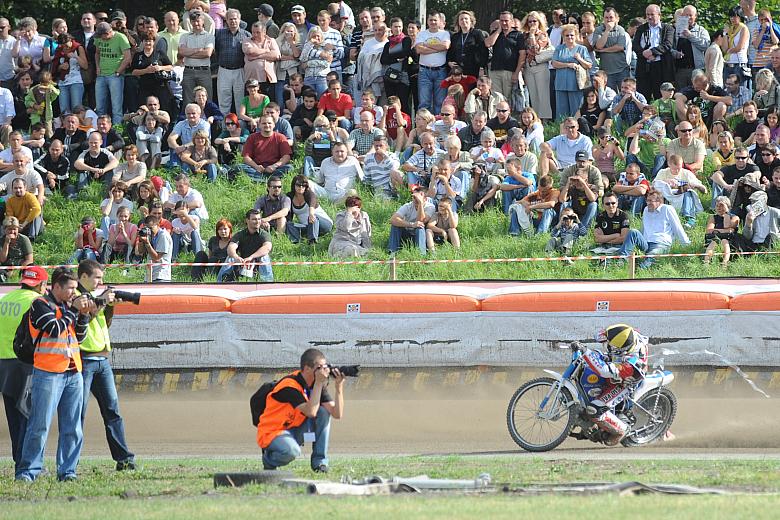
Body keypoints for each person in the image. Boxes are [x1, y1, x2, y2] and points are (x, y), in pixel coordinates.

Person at [15, 267, 94, 482]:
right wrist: (74, 311)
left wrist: (83, 317)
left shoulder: (69, 307)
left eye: (75, 289)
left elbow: (79, 338)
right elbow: (53, 328)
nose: (73, 293)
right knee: (39, 425)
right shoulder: (40, 304)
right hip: (47, 373)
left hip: (72, 372)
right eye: (70, 289)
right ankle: (28, 471)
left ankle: (67, 471)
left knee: (72, 427)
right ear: (56, 287)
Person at [75, 260, 135, 471]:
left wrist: (109, 308)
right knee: (77, 413)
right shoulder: (78, 297)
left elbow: (104, 323)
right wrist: (101, 301)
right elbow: (85, 317)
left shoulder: (95, 297)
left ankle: (124, 459)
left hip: (101, 360)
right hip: (83, 359)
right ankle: (71, 463)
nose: (100, 282)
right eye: (97, 277)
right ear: (83, 277)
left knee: (113, 412)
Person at [258, 348, 345, 472]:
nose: (323, 371)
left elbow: (337, 413)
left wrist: (339, 387)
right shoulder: (289, 386)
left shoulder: (316, 384)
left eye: (325, 367)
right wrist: (319, 384)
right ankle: (268, 460)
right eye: (319, 367)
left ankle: (320, 463)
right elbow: (311, 412)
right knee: (292, 452)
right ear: (307, 368)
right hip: (273, 432)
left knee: (324, 413)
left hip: (294, 428)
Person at [0, 265, 48, 474]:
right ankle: (27, 465)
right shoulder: (36, 302)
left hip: (3, 362)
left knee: (13, 417)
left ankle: (19, 461)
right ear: (42, 285)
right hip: (25, 363)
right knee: (28, 416)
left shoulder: (6, 300)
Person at [573, 324, 649, 446]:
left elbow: (605, 370)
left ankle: (620, 431)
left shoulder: (631, 363)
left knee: (594, 410)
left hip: (625, 383)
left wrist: (586, 352)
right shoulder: (628, 334)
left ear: (621, 350)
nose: (606, 346)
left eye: (610, 345)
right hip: (618, 371)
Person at [618, 189, 690, 269]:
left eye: (650, 201)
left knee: (652, 255)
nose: (648, 203)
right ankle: (622, 261)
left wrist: (686, 245)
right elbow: (643, 229)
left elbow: (678, 228)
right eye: (647, 200)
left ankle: (640, 270)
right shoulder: (646, 210)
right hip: (646, 243)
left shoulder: (667, 209)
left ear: (659, 201)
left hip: (661, 244)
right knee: (633, 232)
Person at [218, 209, 274, 283]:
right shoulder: (240, 234)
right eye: (254, 219)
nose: (257, 221)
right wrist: (236, 257)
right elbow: (230, 248)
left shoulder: (264, 234)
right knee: (230, 257)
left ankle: (267, 283)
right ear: (247, 220)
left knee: (264, 257)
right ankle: (221, 282)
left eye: (259, 219)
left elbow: (267, 248)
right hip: (242, 263)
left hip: (258, 265)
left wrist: (251, 257)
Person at [632, 5, 674, 101]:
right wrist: (644, 53)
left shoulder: (668, 28)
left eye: (652, 14)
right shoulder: (641, 29)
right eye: (647, 14)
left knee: (660, 96)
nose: (649, 17)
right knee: (643, 95)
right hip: (644, 67)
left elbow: (668, 44)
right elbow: (635, 45)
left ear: (659, 15)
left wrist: (652, 52)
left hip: (661, 67)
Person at [653, 154, 707, 228]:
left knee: (689, 192)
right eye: (674, 169)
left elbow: (702, 188)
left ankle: (689, 217)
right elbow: (655, 184)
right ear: (669, 164)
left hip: (683, 196)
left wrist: (695, 185)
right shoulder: (663, 172)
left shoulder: (686, 173)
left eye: (679, 168)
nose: (677, 171)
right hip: (668, 197)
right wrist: (666, 182)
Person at [551, 23, 593, 119]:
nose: (569, 37)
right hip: (561, 84)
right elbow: (554, 63)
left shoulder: (582, 49)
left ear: (576, 36)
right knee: (561, 112)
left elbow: (589, 65)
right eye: (567, 35)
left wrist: (579, 59)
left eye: (572, 35)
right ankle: (561, 129)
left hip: (576, 84)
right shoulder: (559, 48)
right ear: (563, 37)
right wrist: (568, 65)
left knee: (576, 109)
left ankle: (577, 127)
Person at [214, 9, 251, 117]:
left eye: (235, 19)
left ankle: (241, 122)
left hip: (240, 70)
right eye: (230, 19)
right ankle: (224, 125)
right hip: (224, 70)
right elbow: (216, 51)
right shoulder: (219, 34)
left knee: (240, 99)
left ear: (239, 20)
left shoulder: (246, 35)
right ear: (226, 20)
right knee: (224, 98)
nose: (233, 21)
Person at [94, 22, 131, 125]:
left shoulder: (121, 38)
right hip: (101, 75)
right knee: (100, 106)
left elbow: (127, 57)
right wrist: (97, 67)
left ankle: (117, 131)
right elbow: (97, 53)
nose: (101, 38)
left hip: (115, 76)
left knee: (116, 107)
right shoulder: (98, 38)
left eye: (102, 36)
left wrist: (118, 71)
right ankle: (100, 129)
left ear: (109, 32)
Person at [484, 11, 525, 103]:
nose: (504, 23)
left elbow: (522, 55)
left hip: (510, 71)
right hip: (495, 70)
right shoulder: (496, 33)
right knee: (496, 98)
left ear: (512, 21)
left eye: (506, 20)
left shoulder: (518, 35)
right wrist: (498, 31)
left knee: (508, 98)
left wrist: (516, 72)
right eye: (501, 21)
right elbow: (488, 44)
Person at [414, 11, 450, 115]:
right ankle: (424, 127)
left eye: (435, 20)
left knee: (440, 102)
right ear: (427, 21)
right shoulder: (422, 34)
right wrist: (438, 48)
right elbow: (419, 50)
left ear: (440, 21)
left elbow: (445, 46)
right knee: (424, 102)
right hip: (424, 71)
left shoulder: (444, 34)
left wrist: (426, 44)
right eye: (431, 20)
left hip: (441, 71)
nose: (433, 22)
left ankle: (438, 126)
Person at [178, 12, 214, 108]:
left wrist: (189, 53)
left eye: (198, 21)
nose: (196, 23)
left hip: (204, 71)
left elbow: (207, 53)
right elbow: (181, 52)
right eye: (193, 21)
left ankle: (207, 120)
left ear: (203, 21)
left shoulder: (209, 36)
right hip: (188, 70)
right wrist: (198, 50)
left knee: (206, 98)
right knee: (188, 99)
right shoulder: (184, 36)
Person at [241, 115, 293, 181]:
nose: (267, 125)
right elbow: (246, 157)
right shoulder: (252, 137)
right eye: (264, 123)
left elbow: (286, 157)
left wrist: (274, 166)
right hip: (257, 168)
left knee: (289, 168)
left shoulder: (280, 137)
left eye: (269, 123)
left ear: (274, 125)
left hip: (274, 169)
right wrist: (256, 167)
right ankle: (269, 180)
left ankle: (259, 179)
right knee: (239, 167)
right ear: (259, 125)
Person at [388, 186, 435, 255]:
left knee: (420, 227)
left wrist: (420, 204)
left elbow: (421, 221)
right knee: (395, 225)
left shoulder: (430, 207)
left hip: (421, 235)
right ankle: (392, 252)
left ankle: (421, 255)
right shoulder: (408, 206)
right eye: (414, 197)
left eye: (417, 197)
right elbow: (393, 219)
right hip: (407, 233)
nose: (415, 200)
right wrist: (411, 224)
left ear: (425, 199)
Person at [286, 175, 333, 244]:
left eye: (303, 185)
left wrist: (311, 213)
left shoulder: (309, 194)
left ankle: (312, 241)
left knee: (313, 217)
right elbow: (289, 215)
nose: (301, 187)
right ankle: (296, 241)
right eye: (298, 185)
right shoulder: (290, 196)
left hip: (323, 224)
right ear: (294, 185)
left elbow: (312, 203)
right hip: (307, 226)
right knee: (289, 224)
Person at [134, 214, 172, 283]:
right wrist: (141, 240)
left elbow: (157, 258)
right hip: (150, 274)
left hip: (161, 275)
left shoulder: (163, 235)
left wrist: (147, 244)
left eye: (151, 228)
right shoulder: (150, 235)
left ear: (158, 225)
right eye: (146, 229)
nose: (149, 231)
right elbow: (140, 251)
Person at [704, 196, 739, 267]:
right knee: (713, 243)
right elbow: (709, 231)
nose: (719, 208)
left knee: (724, 241)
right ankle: (706, 263)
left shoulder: (734, 217)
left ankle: (725, 263)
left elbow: (729, 229)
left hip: (730, 240)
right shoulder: (713, 217)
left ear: (728, 206)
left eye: (721, 205)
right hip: (715, 238)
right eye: (717, 206)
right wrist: (724, 231)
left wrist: (726, 214)